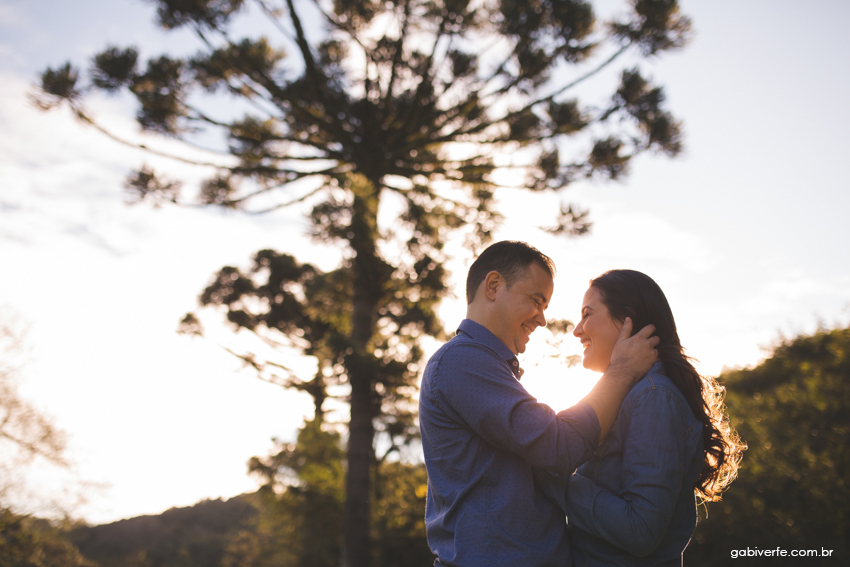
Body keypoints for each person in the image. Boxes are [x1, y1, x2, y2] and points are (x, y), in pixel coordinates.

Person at [419, 241, 660, 567]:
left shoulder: (487, 368)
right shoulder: (461, 361)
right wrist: (622, 372)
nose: (542, 319)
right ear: (493, 286)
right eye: (536, 301)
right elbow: (558, 446)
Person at [536, 269, 745, 566]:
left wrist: (549, 474)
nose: (577, 330)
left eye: (587, 314)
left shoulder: (654, 398)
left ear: (628, 320)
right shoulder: (629, 395)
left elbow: (641, 530)